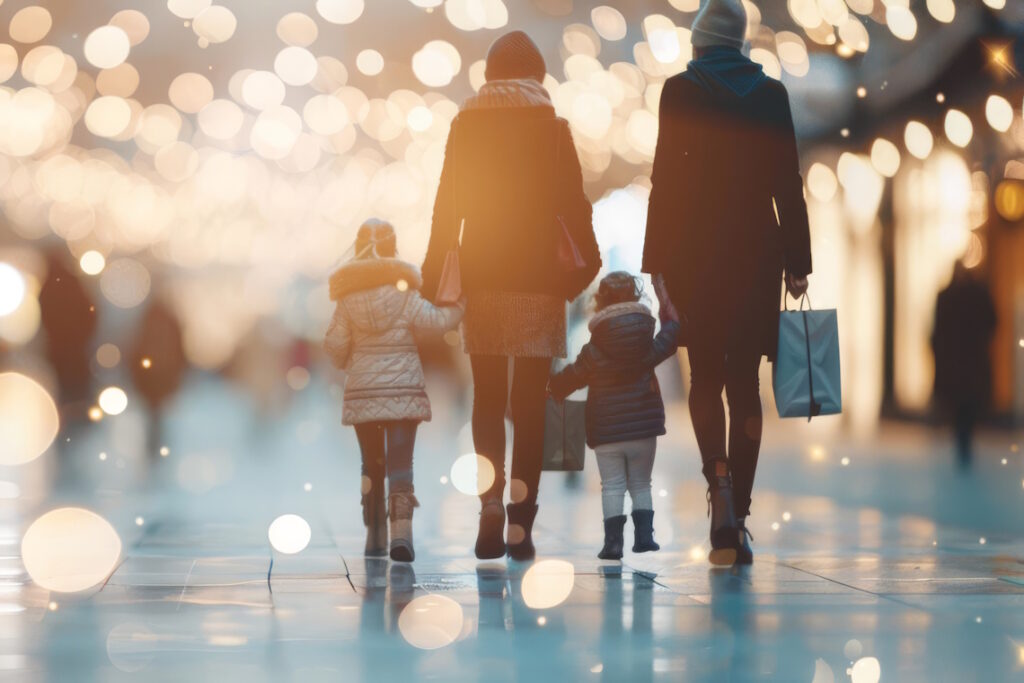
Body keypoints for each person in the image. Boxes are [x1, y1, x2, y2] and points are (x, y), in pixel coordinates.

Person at [643, 0, 812, 566]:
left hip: (696, 259)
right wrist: (798, 259)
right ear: (740, 41)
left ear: (698, 41)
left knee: (705, 376)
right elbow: (787, 181)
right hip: (755, 256)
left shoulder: (680, 91)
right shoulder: (770, 95)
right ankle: (738, 513)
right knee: (744, 383)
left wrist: (656, 263)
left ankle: (717, 482)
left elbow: (664, 181)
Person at [422, 31, 600, 560]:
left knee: (488, 398)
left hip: (483, 279)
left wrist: (434, 282)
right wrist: (581, 272)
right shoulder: (554, 128)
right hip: (540, 282)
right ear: (538, 77)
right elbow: (575, 206)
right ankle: (521, 519)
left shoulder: (466, 125)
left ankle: (489, 506)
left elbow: (446, 207)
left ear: (490, 76)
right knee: (530, 403)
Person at [324, 219, 464, 562]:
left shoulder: (347, 301)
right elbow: (436, 322)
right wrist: (460, 307)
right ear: (393, 249)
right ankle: (402, 533)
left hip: (363, 395)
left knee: (371, 465)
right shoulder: (405, 294)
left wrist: (348, 360)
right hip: (403, 393)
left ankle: (375, 534)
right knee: (401, 466)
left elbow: (335, 346)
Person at [549, 273, 680, 560]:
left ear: (600, 303)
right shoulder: (646, 341)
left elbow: (572, 377)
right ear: (635, 297)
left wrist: (551, 387)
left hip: (607, 430)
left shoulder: (594, 350)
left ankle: (613, 543)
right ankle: (644, 536)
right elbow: (668, 341)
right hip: (644, 428)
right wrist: (672, 321)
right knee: (641, 483)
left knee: (612, 486)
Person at [931, 261, 997, 467]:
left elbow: (937, 332)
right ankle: (964, 442)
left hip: (957, 366)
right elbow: (993, 322)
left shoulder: (948, 297)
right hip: (968, 366)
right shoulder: (977, 295)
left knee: (961, 406)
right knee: (966, 406)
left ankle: (963, 441)